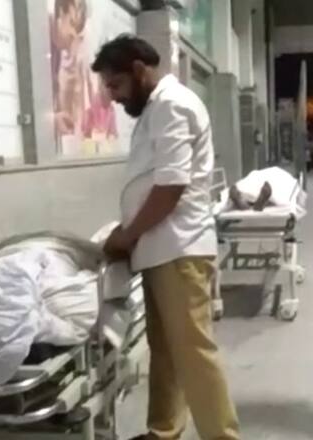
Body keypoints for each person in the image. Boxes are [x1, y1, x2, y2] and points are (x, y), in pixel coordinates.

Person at [91, 35, 240, 440]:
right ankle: (163, 431)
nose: (113, 96)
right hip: (162, 250)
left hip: (179, 249)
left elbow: (171, 186)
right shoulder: (157, 109)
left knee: (193, 353)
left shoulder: (171, 105)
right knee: (167, 351)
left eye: (116, 84)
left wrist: (128, 235)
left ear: (139, 70)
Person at [50, 0, 87, 137]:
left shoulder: (59, 52)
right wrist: (51, 121)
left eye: (78, 30)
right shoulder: (40, 38)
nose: (74, 35)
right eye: (72, 23)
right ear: (60, 13)